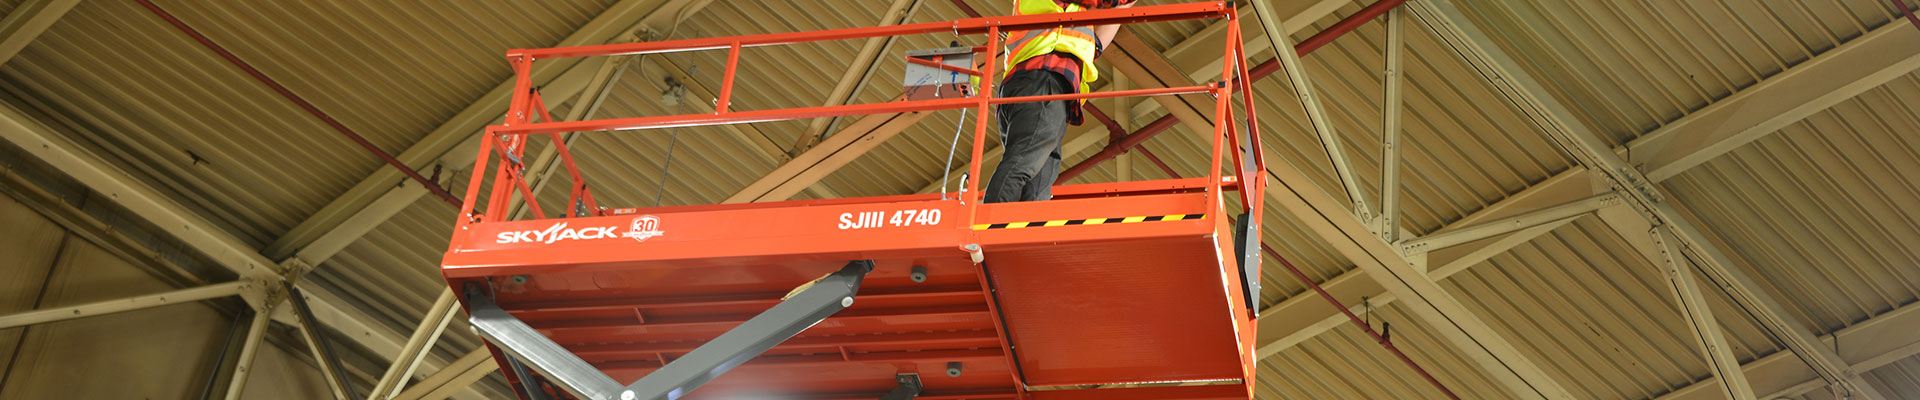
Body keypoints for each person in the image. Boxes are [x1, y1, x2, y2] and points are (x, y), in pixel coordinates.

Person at [983, 0, 1136, 203]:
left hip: (1046, 88)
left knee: (1039, 186)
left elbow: (1094, 45)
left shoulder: (1076, 15)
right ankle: (991, 224)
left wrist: (1121, 7)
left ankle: (1022, 231)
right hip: (1042, 81)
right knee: (1024, 162)